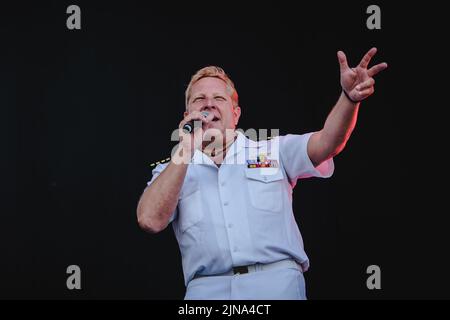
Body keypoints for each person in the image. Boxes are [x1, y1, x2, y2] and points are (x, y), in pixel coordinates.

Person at [137, 48, 387, 299]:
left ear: (236, 114)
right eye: (199, 99)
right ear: (186, 115)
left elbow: (327, 142)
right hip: (205, 291)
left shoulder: (273, 150)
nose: (209, 103)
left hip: (275, 285)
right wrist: (186, 148)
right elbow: (149, 220)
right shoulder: (173, 168)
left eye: (219, 98)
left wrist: (348, 98)